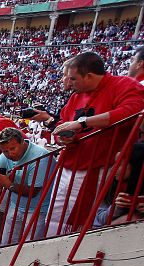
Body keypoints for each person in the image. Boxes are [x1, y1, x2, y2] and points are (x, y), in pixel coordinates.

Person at [45, 52, 144, 235]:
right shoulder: (76, 97)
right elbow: (62, 124)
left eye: (74, 78)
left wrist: (83, 122)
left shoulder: (123, 85)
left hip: (97, 167)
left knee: (80, 223)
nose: (70, 83)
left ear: (89, 76)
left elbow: (132, 112)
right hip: (70, 165)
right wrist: (64, 136)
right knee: (54, 219)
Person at [0, 127, 57, 245]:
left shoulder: (40, 156)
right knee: (6, 244)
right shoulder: (7, 149)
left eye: (12, 148)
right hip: (15, 206)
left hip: (37, 211)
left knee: (29, 247)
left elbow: (32, 192)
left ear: (22, 142)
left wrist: (8, 184)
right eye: (5, 151)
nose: (9, 153)